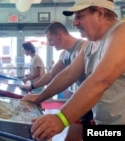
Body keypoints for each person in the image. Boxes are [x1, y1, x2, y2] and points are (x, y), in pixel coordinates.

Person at [29, 0, 125, 140]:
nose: (74, 23)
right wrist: (39, 97)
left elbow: (101, 80)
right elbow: (68, 75)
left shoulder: (121, 33)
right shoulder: (90, 45)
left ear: (100, 13)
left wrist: (61, 119)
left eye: (79, 16)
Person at [21, 21, 92, 141]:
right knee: (72, 138)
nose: (49, 44)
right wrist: (31, 87)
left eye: (50, 40)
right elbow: (51, 75)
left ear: (59, 35)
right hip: (83, 102)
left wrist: (40, 97)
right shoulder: (65, 54)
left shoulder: (84, 48)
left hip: (97, 103)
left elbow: (67, 77)